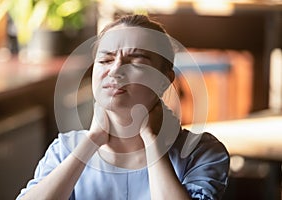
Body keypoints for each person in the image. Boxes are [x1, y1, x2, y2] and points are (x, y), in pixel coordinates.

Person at [17, 15, 229, 200]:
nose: (116, 70)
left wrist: (152, 144)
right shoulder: (64, 150)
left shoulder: (200, 153)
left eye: (136, 61)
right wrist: (92, 141)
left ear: (164, 80)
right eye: (106, 60)